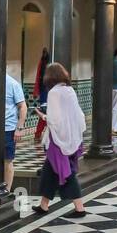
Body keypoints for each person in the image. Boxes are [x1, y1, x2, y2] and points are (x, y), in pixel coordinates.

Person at [35, 63, 86, 215]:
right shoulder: (69, 90)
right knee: (49, 172)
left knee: (65, 172)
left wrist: (42, 115)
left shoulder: (54, 93)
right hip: (72, 138)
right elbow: (78, 115)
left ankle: (80, 208)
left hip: (58, 141)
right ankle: (44, 205)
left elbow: (55, 120)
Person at [4, 70, 27, 192]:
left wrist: (19, 128)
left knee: (7, 160)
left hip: (8, 128)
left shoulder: (13, 84)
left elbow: (23, 107)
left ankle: (7, 189)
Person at [33, 47, 50, 147]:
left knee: (44, 112)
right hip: (46, 91)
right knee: (45, 112)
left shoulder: (42, 63)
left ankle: (38, 134)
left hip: (44, 91)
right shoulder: (46, 64)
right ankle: (38, 134)